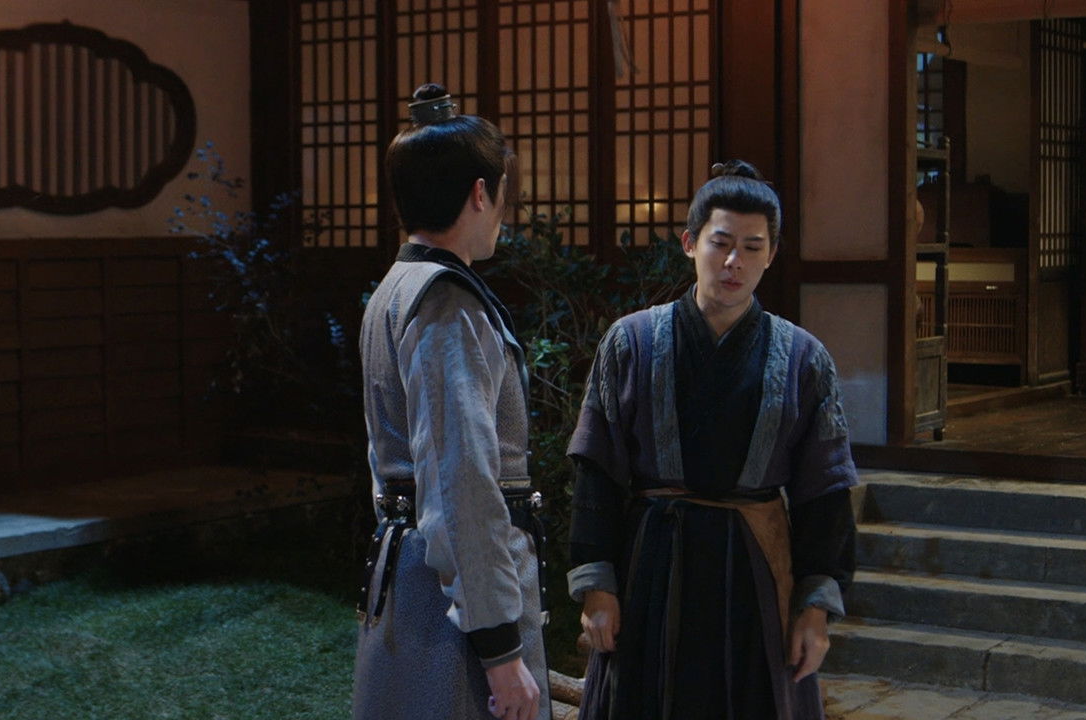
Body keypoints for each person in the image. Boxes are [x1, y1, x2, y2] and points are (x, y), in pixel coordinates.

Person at [566, 160, 858, 719]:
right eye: (720, 243)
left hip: (757, 572)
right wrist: (597, 585)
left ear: (771, 254)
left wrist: (816, 606)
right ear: (689, 243)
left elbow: (825, 493)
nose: (733, 262)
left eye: (752, 247)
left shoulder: (803, 358)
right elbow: (596, 471)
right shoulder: (632, 342)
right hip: (652, 567)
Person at [353, 82, 549, 720]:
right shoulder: (444, 303)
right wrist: (501, 648)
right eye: (503, 194)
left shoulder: (395, 287)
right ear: (481, 193)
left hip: (412, 573)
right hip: (448, 607)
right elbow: (461, 480)